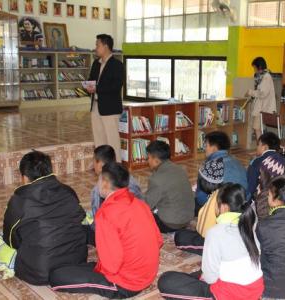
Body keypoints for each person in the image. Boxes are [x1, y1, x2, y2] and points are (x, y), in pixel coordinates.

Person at [50, 162, 163, 298]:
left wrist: (98, 269)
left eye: (98, 179)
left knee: (56, 276)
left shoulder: (106, 213)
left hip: (126, 284)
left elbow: (111, 265)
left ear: (105, 184)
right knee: (80, 267)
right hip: (148, 274)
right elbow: (158, 240)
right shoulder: (140, 204)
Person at [158, 183, 264, 300]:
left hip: (230, 295)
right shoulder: (249, 226)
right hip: (255, 290)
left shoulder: (216, 232)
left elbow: (210, 279)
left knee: (166, 281)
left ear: (223, 207)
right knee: (194, 268)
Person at [2, 151, 87, 285]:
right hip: (77, 261)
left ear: (24, 177)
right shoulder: (68, 191)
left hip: (38, 272)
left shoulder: (19, 201)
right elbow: (80, 218)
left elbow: (11, 241)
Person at [174, 157, 224, 255]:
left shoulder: (216, 200)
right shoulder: (218, 192)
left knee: (180, 237)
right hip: (220, 237)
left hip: (216, 243)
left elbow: (204, 231)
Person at [86, 34, 123, 163]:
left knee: (112, 139)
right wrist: (89, 87)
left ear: (106, 46)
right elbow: (92, 80)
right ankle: (101, 165)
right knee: (99, 138)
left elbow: (116, 87)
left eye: (98, 45)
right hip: (96, 106)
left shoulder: (117, 65)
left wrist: (97, 89)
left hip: (110, 108)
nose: (96, 47)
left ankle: (116, 165)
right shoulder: (96, 63)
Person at [144, 140, 194, 233]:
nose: (148, 161)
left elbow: (146, 205)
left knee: (140, 216)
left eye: (149, 158)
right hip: (187, 219)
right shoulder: (180, 169)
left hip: (170, 224)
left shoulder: (156, 179)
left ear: (156, 160)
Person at [90, 145, 142, 228]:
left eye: (93, 161)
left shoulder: (98, 190)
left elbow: (97, 221)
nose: (93, 165)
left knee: (85, 220)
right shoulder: (127, 175)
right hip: (138, 220)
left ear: (100, 165)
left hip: (116, 226)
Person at [195, 131, 247, 208]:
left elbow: (201, 198)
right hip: (242, 205)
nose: (204, 149)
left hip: (222, 208)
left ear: (214, 148)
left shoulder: (210, 167)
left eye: (206, 145)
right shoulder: (238, 163)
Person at [245, 57, 277, 139]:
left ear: (259, 67)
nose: (254, 70)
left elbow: (262, 94)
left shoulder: (266, 77)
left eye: (254, 67)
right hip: (261, 108)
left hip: (263, 109)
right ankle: (260, 148)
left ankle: (260, 148)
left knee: (257, 129)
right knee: (257, 128)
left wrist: (251, 92)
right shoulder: (263, 77)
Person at [247, 131, 280, 198]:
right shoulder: (283, 158)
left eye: (258, 145)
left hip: (261, 199)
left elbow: (250, 187)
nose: (257, 147)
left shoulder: (256, 162)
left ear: (265, 147)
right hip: (278, 197)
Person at [254, 152, 285, 219]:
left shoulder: (269, 196)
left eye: (261, 174)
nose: (259, 177)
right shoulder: (280, 190)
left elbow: (261, 216)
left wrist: (260, 196)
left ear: (270, 176)